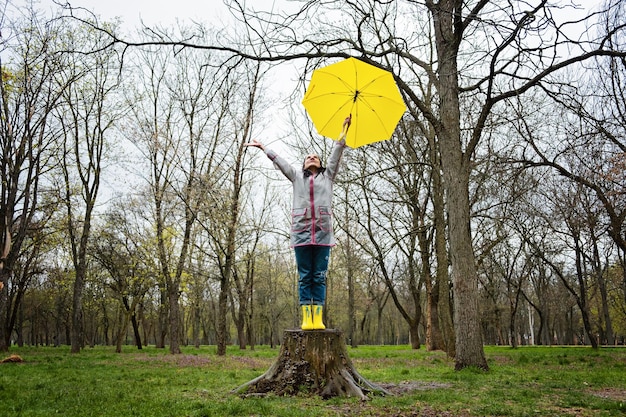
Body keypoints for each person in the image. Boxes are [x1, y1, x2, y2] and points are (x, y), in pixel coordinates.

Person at [245, 116, 351, 330]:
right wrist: (263, 148)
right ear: (303, 164)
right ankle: (306, 317)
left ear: (320, 164)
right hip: (301, 233)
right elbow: (281, 162)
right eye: (308, 157)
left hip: (323, 234)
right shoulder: (296, 177)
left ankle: (318, 318)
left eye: (315, 157)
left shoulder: (328, 177)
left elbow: (336, 154)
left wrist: (343, 130)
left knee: (319, 276)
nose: (311, 158)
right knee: (305, 276)